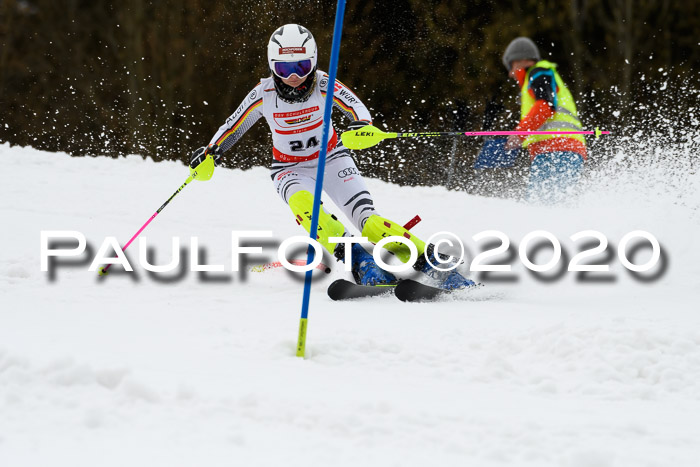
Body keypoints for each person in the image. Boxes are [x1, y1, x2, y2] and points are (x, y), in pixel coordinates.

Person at [189, 24, 475, 290]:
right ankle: (362, 263)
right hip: (289, 170)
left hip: (333, 158)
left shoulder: (323, 84)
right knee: (311, 214)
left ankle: (435, 264)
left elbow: (356, 107)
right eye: (284, 68)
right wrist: (210, 153)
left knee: (370, 222)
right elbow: (233, 126)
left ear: (312, 62)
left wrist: (362, 128)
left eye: (301, 66)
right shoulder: (262, 94)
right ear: (271, 65)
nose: (293, 77)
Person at [502, 37, 587, 203]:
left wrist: (519, 134)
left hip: (559, 148)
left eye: (510, 66)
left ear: (519, 60)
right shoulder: (536, 77)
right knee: (544, 205)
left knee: (541, 206)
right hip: (556, 149)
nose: (510, 73)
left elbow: (545, 106)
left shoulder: (539, 72)